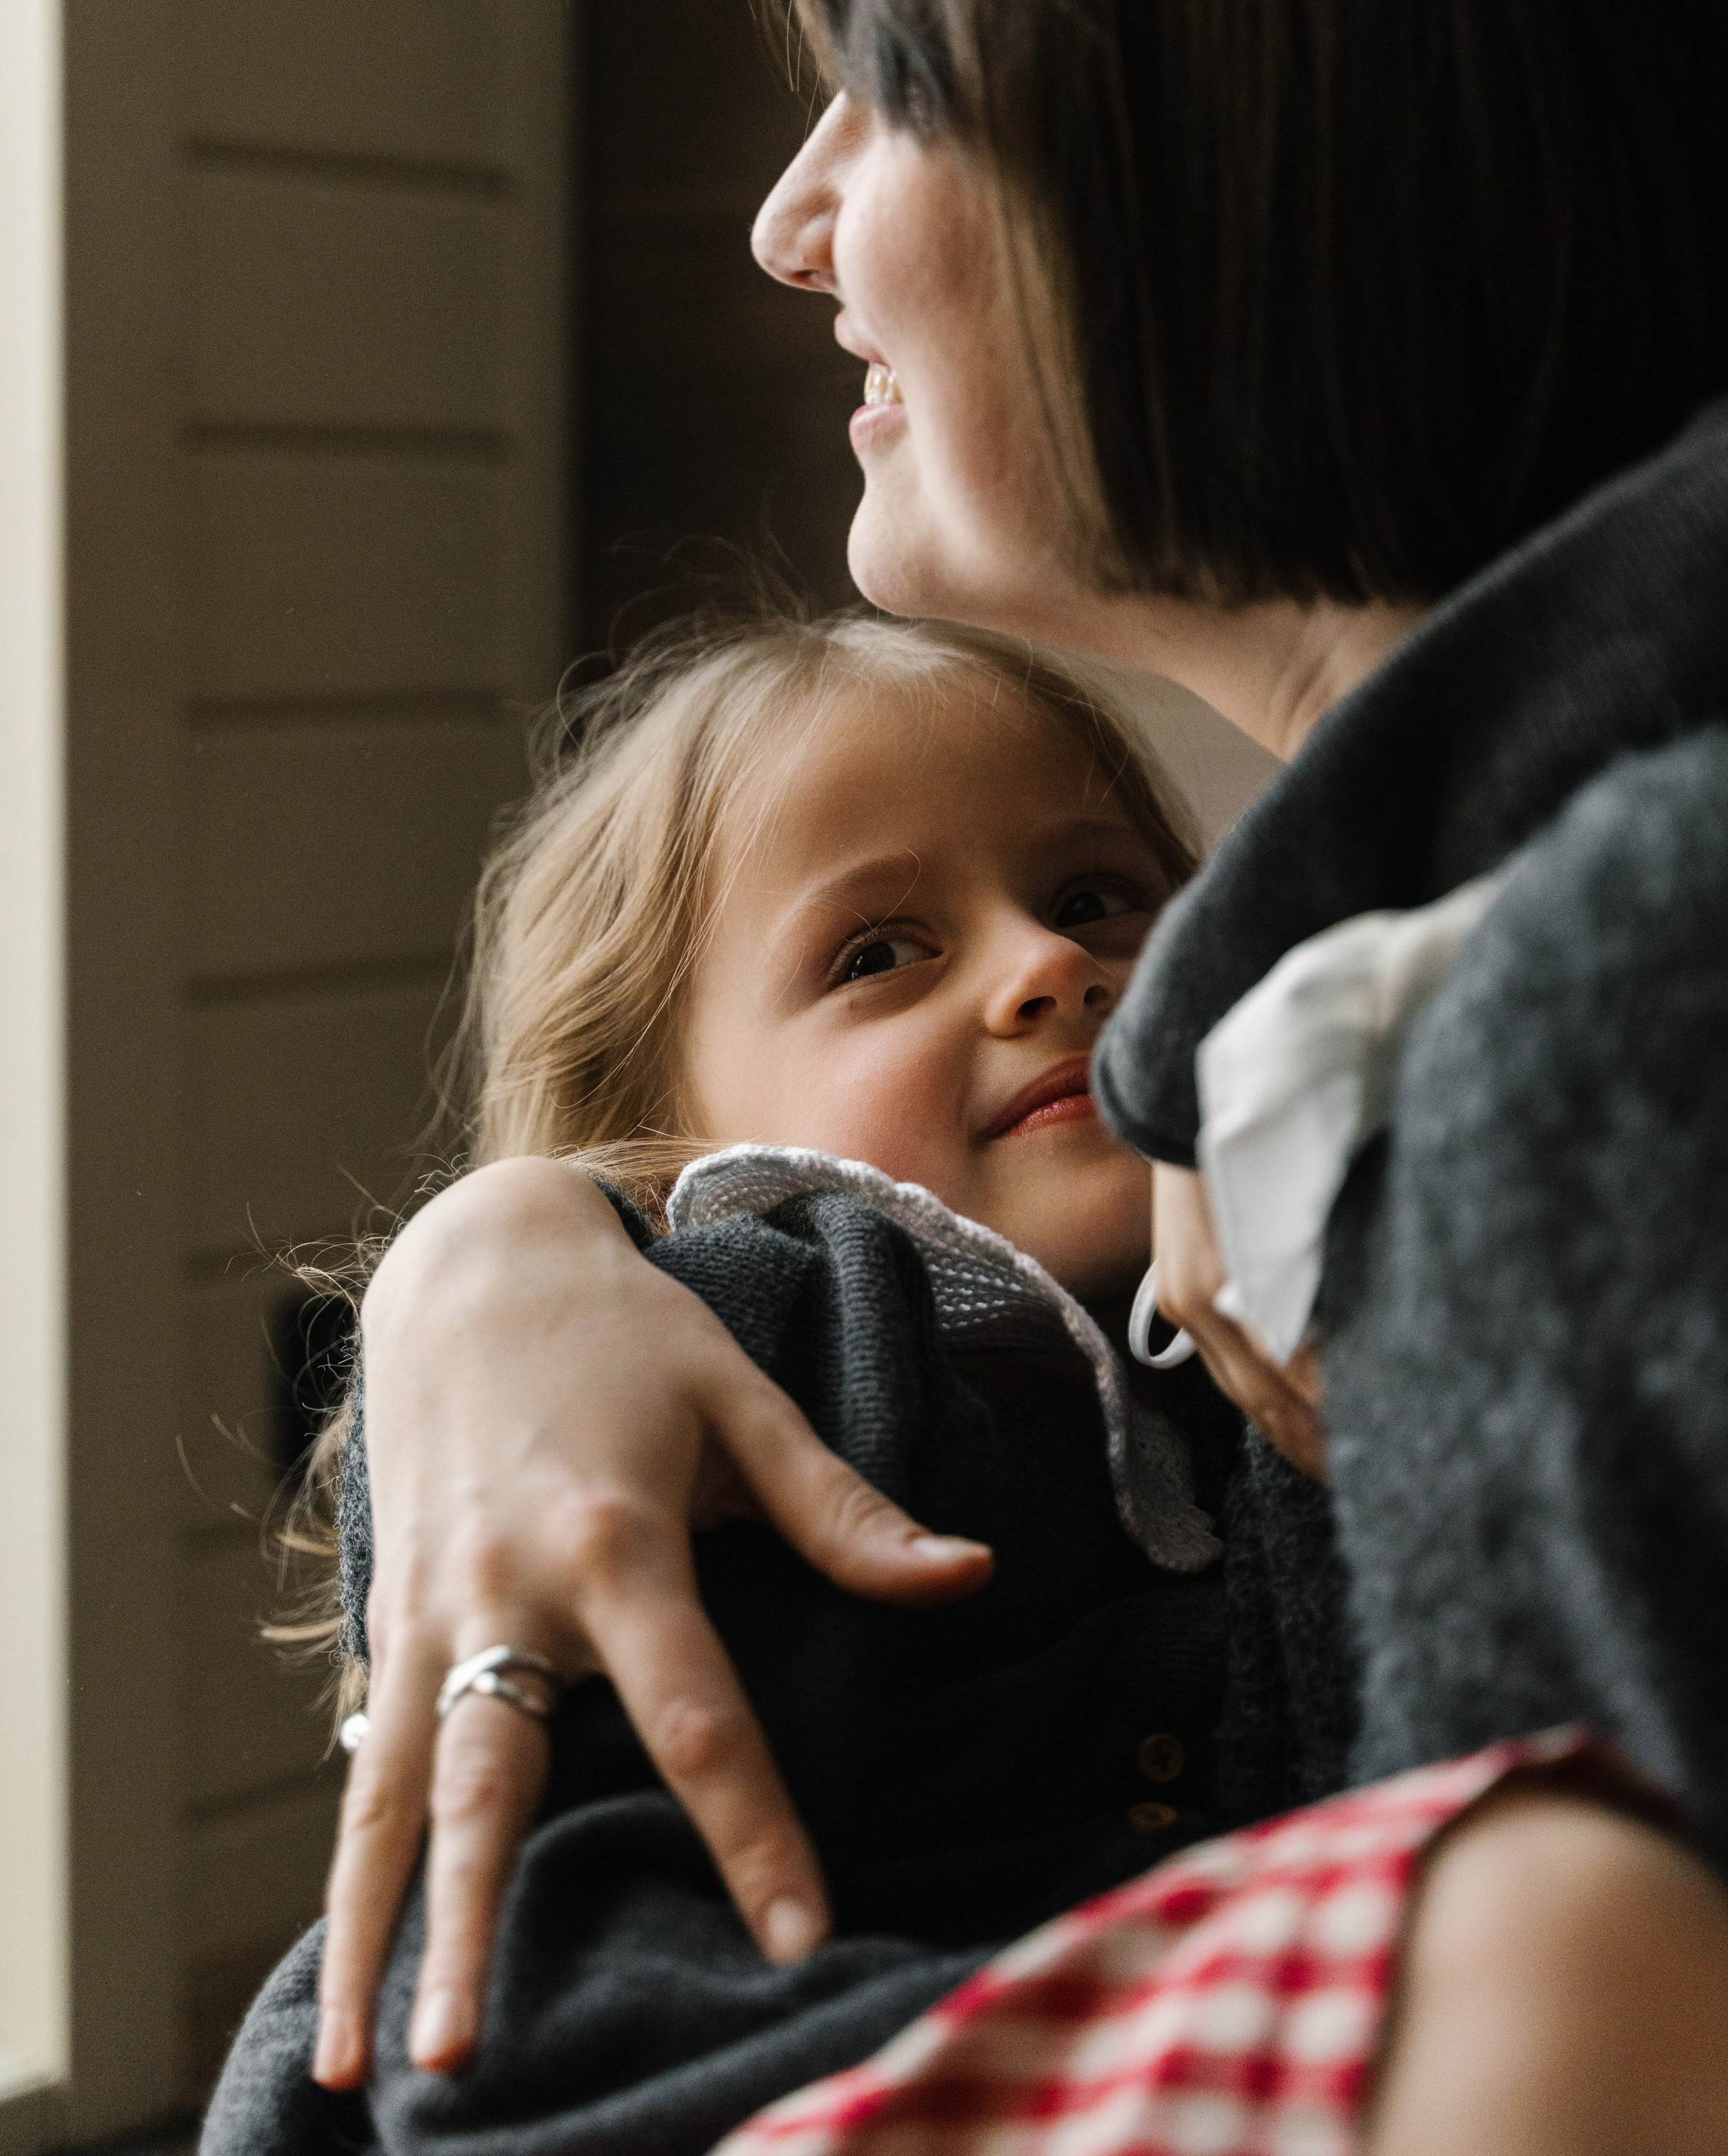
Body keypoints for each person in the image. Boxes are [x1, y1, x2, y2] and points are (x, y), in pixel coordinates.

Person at [301, 0, 1728, 2151]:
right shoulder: (1386, 1057)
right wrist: (513, 1247)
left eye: (888, 78)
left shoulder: (1664, 979)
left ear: (1245, 115)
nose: (796, 220)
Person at [205, 607, 1349, 2155]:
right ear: (666, 1138)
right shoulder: (748, 1342)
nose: (1049, 967)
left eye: (1094, 896)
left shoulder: (1242, 1339)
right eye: (878, 953)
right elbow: (527, 2023)